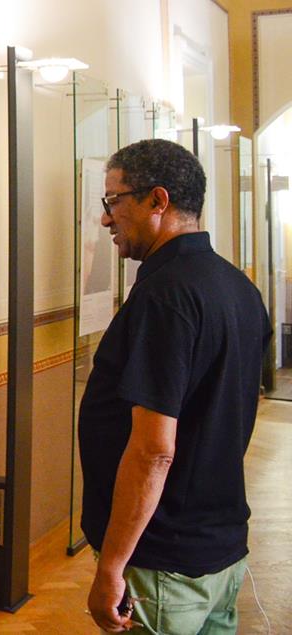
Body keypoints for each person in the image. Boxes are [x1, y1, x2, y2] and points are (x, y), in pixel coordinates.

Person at [79, 138, 271, 634]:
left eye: (113, 201)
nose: (106, 220)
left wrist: (112, 566)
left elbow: (153, 451)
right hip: (217, 547)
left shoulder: (166, 296)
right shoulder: (237, 287)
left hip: (163, 562)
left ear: (157, 200)